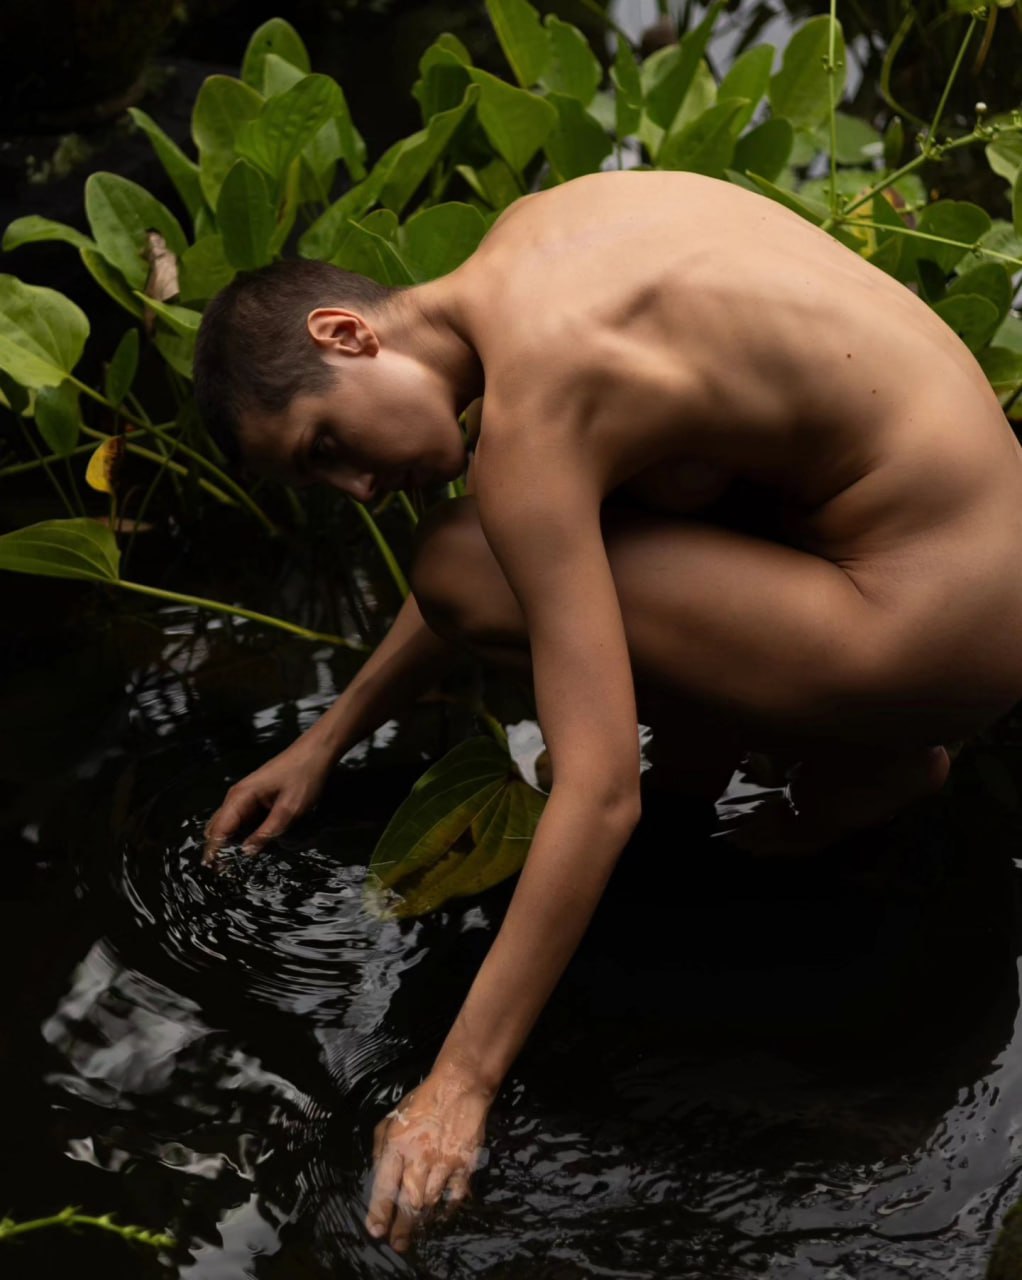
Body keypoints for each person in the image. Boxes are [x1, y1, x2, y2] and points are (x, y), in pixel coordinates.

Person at [195, 169, 1022, 1252]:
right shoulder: (537, 238)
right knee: (573, 521)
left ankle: (871, 754)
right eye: (323, 482)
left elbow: (596, 790)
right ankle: (860, 742)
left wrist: (456, 1087)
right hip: (983, 563)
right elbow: (547, 531)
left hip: (932, 629)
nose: (355, 489)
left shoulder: (535, 416)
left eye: (325, 447)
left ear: (347, 333)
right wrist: (324, 740)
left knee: (455, 560)